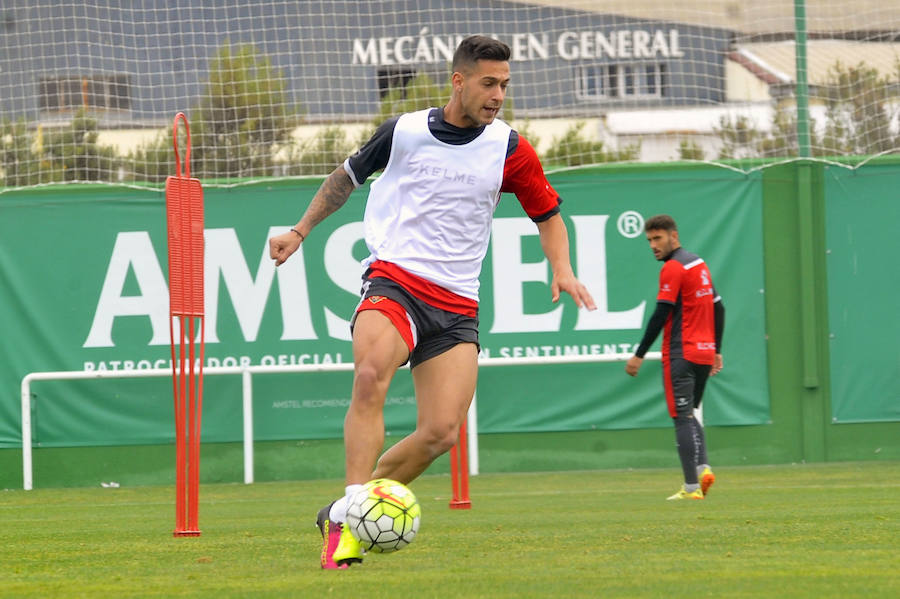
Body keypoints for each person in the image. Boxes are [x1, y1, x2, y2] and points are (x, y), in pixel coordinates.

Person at [268, 35, 597, 569]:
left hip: (457, 302)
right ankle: (349, 531)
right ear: (459, 80)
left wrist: (562, 268)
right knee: (372, 373)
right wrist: (300, 230)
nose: (498, 95)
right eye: (489, 83)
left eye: (505, 86)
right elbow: (344, 178)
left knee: (442, 432)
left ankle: (344, 511)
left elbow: (548, 214)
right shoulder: (404, 131)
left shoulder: (510, 148)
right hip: (394, 280)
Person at [625, 214, 724, 501]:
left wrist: (639, 355)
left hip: (682, 354)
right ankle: (703, 468)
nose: (653, 245)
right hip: (704, 354)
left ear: (674, 236)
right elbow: (720, 308)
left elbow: (661, 314)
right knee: (689, 414)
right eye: (649, 240)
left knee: (681, 418)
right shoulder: (699, 264)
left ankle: (692, 488)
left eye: (658, 238)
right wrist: (716, 349)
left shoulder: (674, 267)